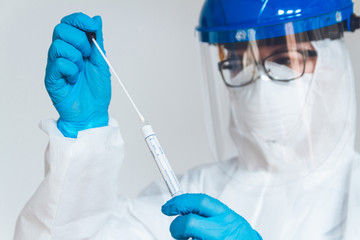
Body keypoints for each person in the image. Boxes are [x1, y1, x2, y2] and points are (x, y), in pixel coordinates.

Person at [14, 0, 360, 239]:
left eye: (285, 59)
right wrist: (85, 140)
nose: (260, 84)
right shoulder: (196, 196)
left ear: (332, 61)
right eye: (238, 64)